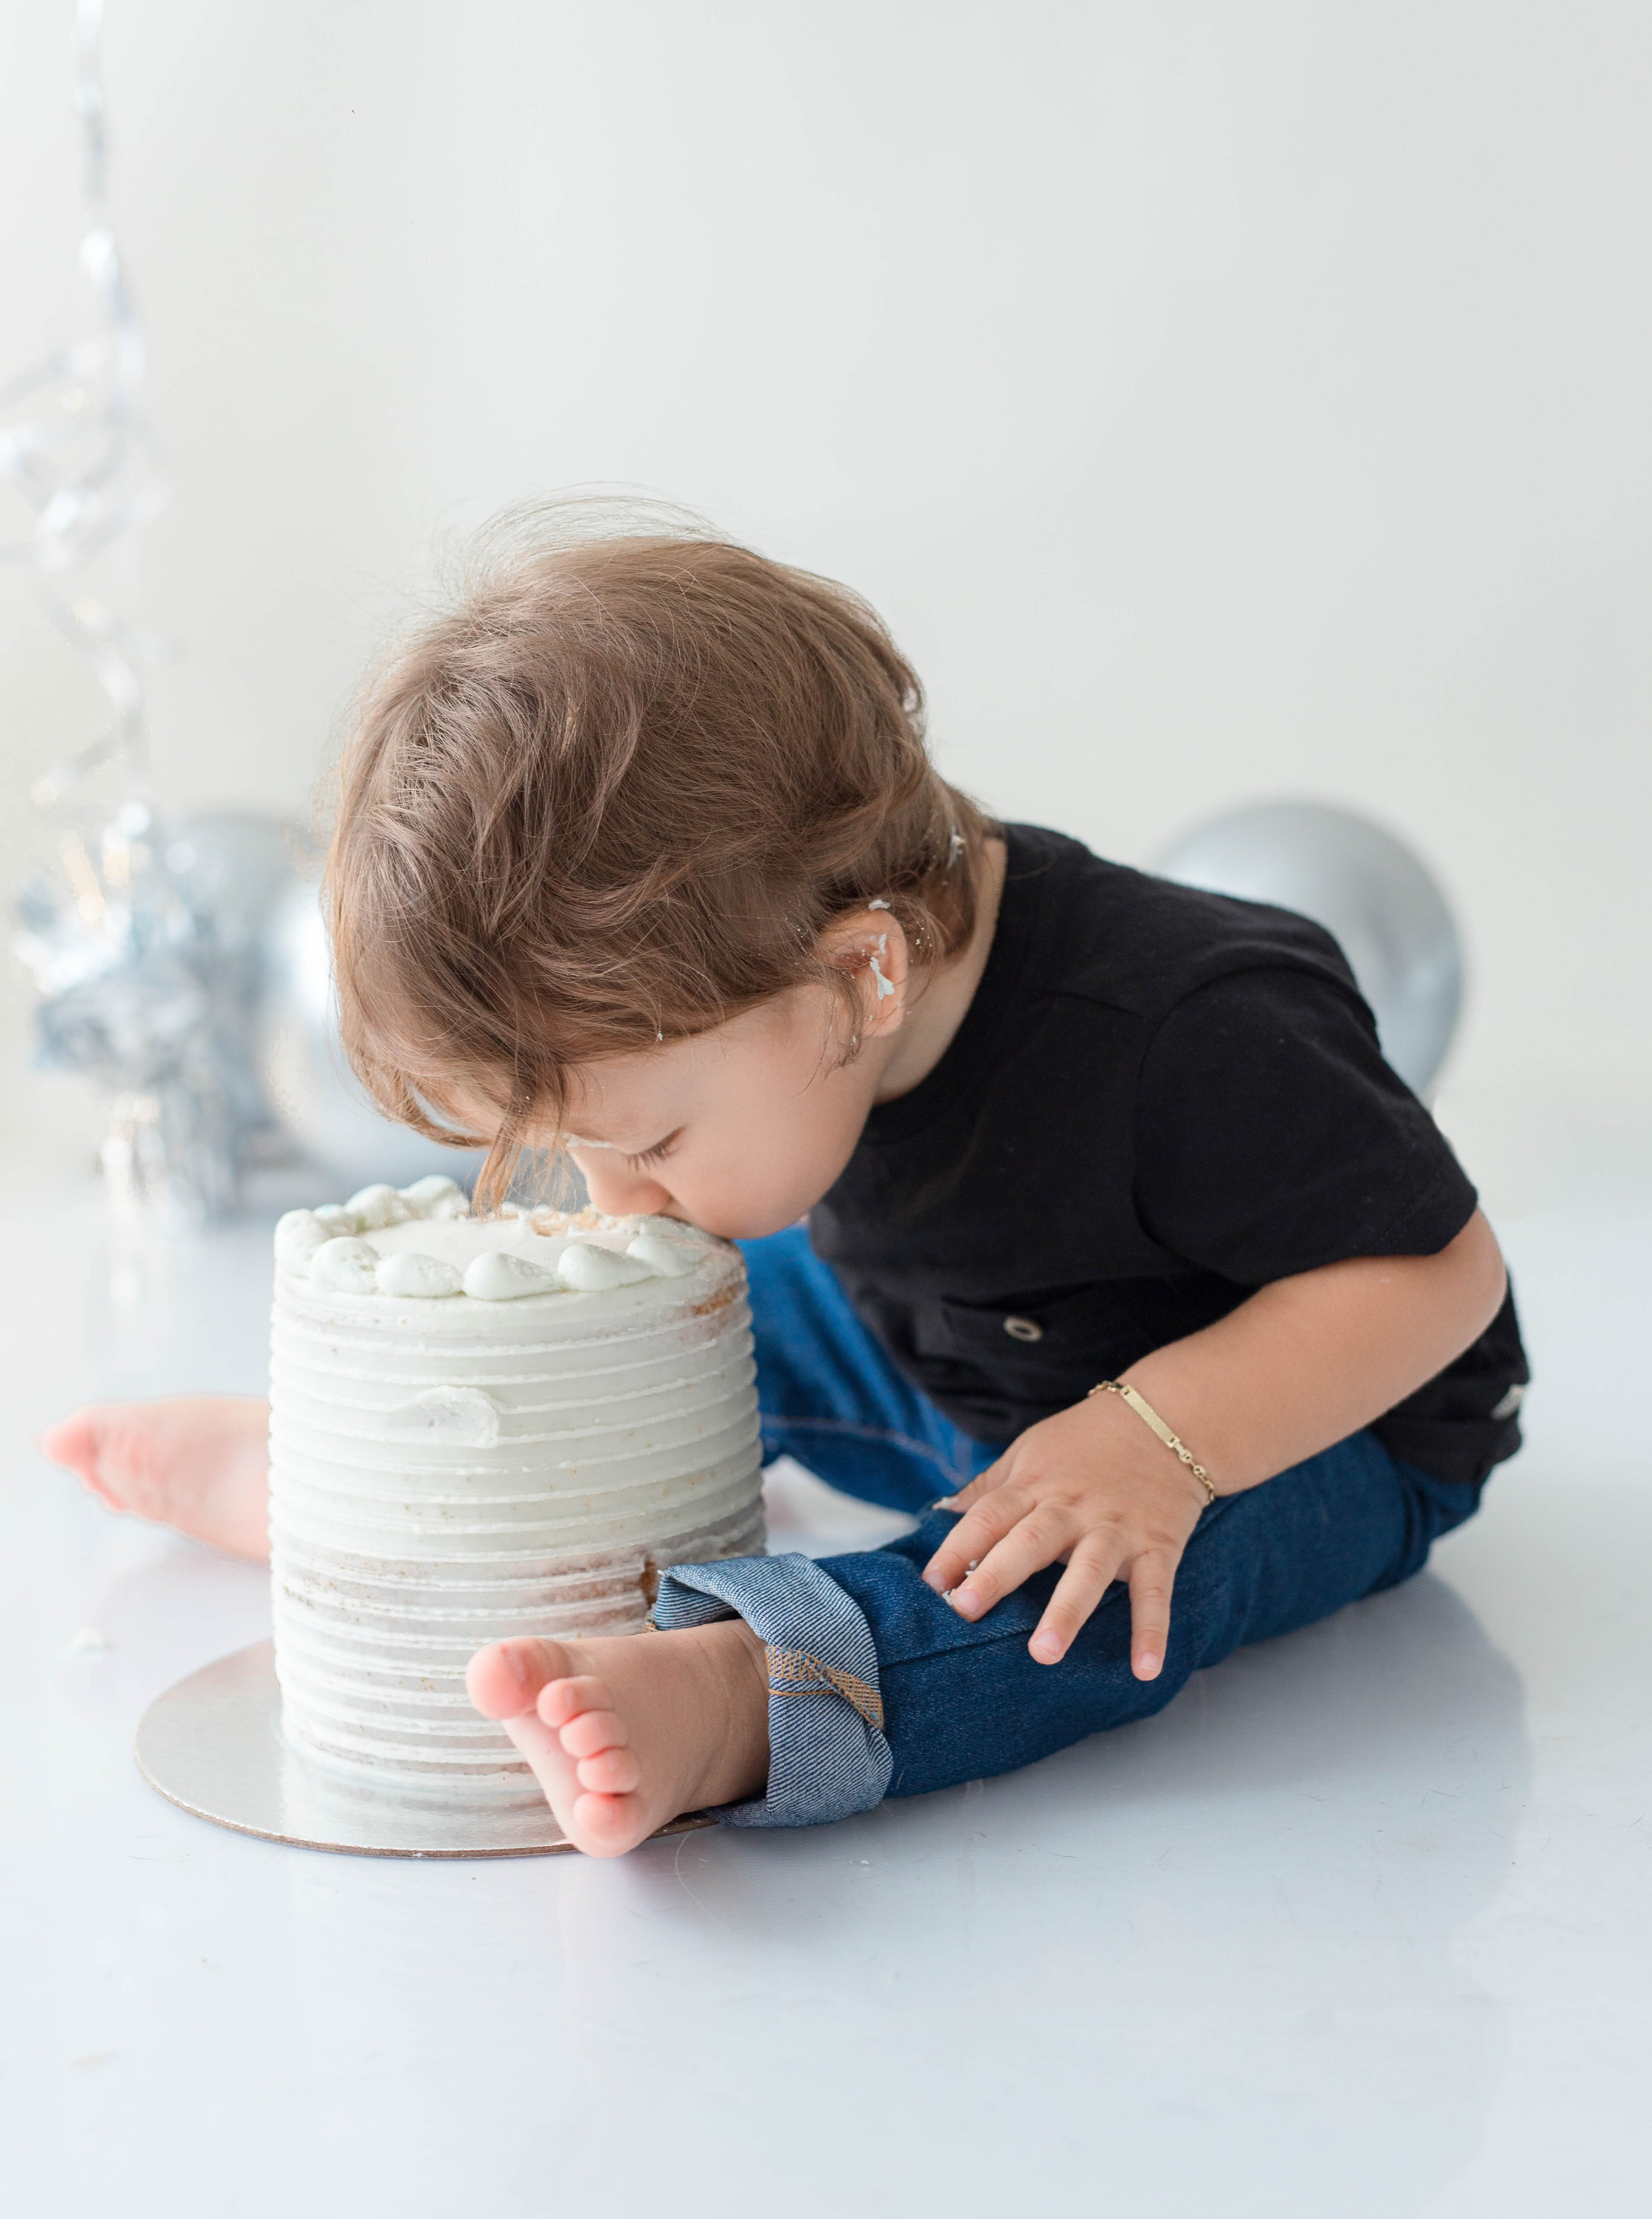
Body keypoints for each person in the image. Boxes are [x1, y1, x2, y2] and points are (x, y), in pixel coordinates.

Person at [40, 503, 1527, 1860]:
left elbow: (1436, 1276)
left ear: (860, 974)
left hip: (1288, 1435)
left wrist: (1155, 1441)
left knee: (1095, 1588)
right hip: (962, 1355)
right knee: (679, 1343)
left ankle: (759, 1689)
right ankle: (382, 1496)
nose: (619, 1199)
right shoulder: (796, 1005)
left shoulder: (1186, 1030)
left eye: (652, 1143)